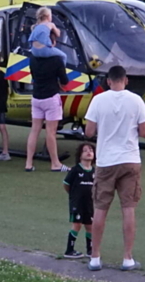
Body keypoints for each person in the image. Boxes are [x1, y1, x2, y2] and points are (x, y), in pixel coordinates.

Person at [84, 65, 145, 272]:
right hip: (130, 158)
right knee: (128, 208)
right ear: (126, 79)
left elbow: (89, 131)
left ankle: (95, 257)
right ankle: (127, 258)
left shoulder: (98, 100)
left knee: (100, 208)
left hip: (106, 161)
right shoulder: (136, 100)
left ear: (108, 81)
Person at [24, 38, 69, 172]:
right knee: (51, 132)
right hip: (51, 97)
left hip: (36, 97)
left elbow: (33, 77)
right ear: (52, 43)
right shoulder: (57, 60)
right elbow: (64, 81)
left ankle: (28, 163)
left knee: (34, 130)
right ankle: (55, 163)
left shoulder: (32, 58)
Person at [63, 143, 96, 259]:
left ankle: (90, 250)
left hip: (89, 203)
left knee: (90, 225)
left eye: (91, 150)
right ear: (80, 155)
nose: (89, 152)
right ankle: (69, 250)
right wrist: (73, 195)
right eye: (85, 150)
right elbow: (66, 184)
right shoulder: (75, 170)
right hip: (77, 203)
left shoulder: (94, 172)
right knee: (77, 224)